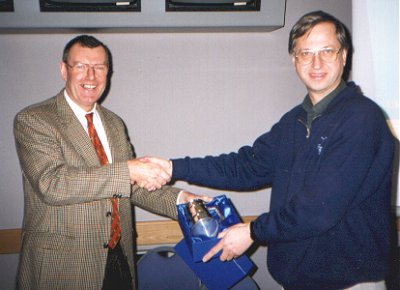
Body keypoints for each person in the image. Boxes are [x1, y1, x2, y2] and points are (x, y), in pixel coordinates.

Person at [146, 11, 395, 290]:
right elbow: (245, 167)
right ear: (294, 60)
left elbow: (318, 210)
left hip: (348, 283)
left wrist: (253, 232)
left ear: (344, 56)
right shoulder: (294, 121)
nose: (316, 62)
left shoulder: (361, 118)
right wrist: (172, 167)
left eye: (327, 51)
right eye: (305, 53)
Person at [13, 35, 211, 290]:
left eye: (99, 67)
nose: (91, 76)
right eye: (81, 66)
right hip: (62, 267)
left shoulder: (114, 124)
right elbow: (53, 184)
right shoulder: (35, 120)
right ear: (64, 70)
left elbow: (132, 186)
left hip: (118, 260)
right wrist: (129, 170)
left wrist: (181, 200)